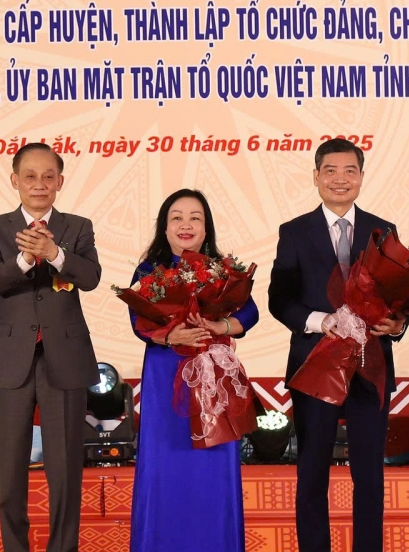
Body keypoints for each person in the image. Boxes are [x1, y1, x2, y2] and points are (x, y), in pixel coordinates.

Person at [267, 138, 405, 552]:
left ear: (361, 177)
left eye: (349, 171)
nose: (340, 179)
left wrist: (398, 322)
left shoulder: (383, 230)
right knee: (312, 473)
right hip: (315, 365)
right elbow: (279, 298)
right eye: (330, 170)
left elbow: (400, 295)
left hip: (370, 366)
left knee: (370, 476)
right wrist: (319, 321)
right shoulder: (294, 232)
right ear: (316, 176)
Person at [0, 142, 101, 552]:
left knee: (65, 471)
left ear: (60, 181)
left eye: (49, 176)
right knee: (10, 470)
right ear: (15, 180)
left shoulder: (77, 227)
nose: (39, 184)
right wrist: (27, 259)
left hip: (64, 357)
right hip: (9, 358)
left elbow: (91, 277)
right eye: (30, 176)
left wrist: (56, 254)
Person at [129, 189, 258, 552]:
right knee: (164, 466)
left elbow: (250, 312)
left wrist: (222, 326)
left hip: (213, 373)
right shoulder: (149, 271)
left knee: (213, 464)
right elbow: (138, 320)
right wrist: (171, 335)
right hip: (165, 374)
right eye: (177, 217)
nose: (185, 225)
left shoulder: (223, 270)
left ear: (206, 227)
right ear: (164, 227)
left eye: (195, 218)